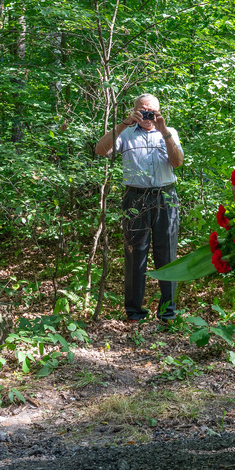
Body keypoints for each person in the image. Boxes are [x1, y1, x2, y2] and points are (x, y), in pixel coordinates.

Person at [95, 94, 184, 323]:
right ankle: (134, 312)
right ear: (135, 111)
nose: (148, 116)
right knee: (135, 256)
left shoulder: (169, 132)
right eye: (144, 111)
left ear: (159, 112)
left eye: (153, 112)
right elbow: (100, 150)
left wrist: (163, 131)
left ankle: (168, 313)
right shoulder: (125, 133)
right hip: (135, 198)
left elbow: (177, 162)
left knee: (168, 256)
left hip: (165, 197)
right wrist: (124, 123)